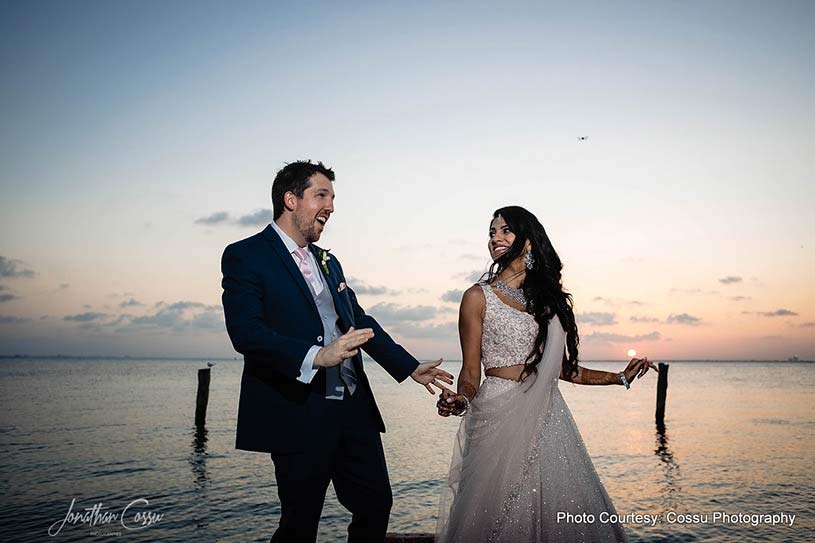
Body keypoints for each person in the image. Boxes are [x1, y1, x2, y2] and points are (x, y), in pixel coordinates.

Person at [221, 160, 453, 543]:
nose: (330, 206)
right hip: (298, 409)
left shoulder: (330, 261)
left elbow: (358, 321)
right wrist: (317, 357)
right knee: (300, 522)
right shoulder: (246, 255)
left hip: (353, 407)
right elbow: (247, 333)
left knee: (376, 505)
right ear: (291, 199)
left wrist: (409, 367)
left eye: (332, 197)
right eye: (322, 195)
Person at [435, 205, 657, 543]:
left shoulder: (548, 305)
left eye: (506, 230)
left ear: (527, 243)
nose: (496, 238)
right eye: (492, 233)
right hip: (496, 417)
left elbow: (565, 370)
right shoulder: (477, 297)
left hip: (548, 418)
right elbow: (470, 373)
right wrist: (462, 400)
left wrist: (619, 377)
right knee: (494, 517)